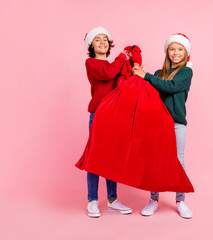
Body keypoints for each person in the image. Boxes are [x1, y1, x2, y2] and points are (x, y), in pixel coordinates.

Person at [132, 33, 194, 218]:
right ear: (167, 52)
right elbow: (151, 91)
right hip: (157, 124)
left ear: (185, 53)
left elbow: (171, 86)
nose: (175, 52)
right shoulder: (159, 74)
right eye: (172, 49)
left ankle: (180, 201)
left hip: (176, 123)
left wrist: (146, 75)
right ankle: (153, 200)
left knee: (178, 161)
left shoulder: (186, 72)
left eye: (180, 49)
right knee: (154, 161)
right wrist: (139, 75)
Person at [83, 27, 132, 218]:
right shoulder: (91, 63)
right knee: (95, 158)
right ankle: (92, 200)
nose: (102, 42)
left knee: (112, 159)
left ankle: (112, 200)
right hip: (98, 115)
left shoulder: (114, 64)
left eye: (105, 39)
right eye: (97, 40)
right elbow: (108, 73)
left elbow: (120, 81)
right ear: (91, 46)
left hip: (113, 116)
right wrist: (123, 57)